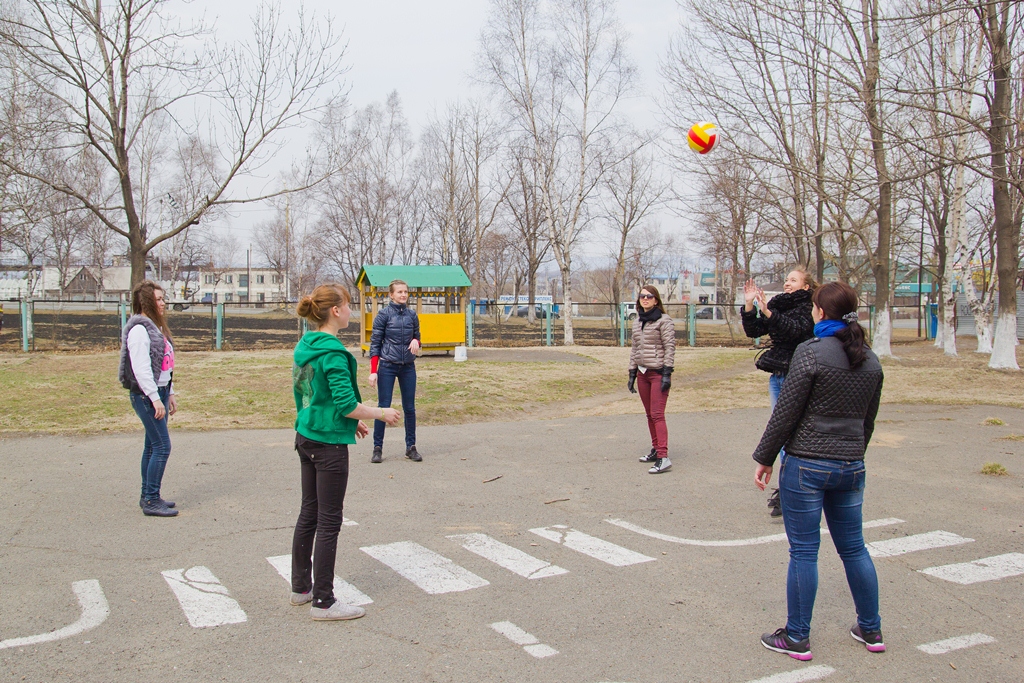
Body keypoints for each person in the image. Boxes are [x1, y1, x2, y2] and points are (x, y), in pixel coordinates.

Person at [751, 281, 885, 661]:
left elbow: (785, 413)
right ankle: (871, 628)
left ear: (822, 312)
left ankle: (797, 637)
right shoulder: (871, 359)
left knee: (805, 552)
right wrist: (852, 455)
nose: (811, 312)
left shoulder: (811, 353)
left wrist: (765, 457)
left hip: (807, 466)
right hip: (850, 466)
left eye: (813, 307)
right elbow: (867, 423)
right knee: (854, 549)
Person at [292, 283, 400, 621]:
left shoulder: (306, 344)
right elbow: (345, 403)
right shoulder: (335, 353)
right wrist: (381, 412)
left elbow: (314, 395)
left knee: (309, 513)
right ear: (336, 311)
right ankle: (323, 601)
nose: (352, 310)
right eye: (349, 305)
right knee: (328, 521)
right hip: (327, 446)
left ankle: (301, 588)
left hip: (306, 434)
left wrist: (350, 423)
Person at [741, 267, 816, 516]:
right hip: (778, 375)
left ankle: (792, 490)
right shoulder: (778, 304)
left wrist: (768, 312)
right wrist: (750, 305)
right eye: (786, 280)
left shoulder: (810, 308)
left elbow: (796, 331)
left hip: (799, 375)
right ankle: (788, 490)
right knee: (781, 432)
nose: (787, 283)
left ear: (806, 287)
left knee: (790, 432)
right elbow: (754, 331)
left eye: (793, 280)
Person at [118, 280, 179, 517]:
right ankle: (152, 500)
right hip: (146, 396)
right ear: (147, 302)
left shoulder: (155, 328)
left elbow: (165, 366)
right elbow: (142, 370)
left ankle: (148, 495)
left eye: (163, 299)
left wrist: (169, 393)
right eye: (159, 299)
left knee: (152, 446)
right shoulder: (139, 330)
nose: (163, 303)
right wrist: (154, 398)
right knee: (162, 446)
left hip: (159, 392)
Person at [368, 279, 422, 463]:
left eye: (406, 292)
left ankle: (411, 447)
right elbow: (375, 344)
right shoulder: (383, 315)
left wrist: (417, 342)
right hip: (387, 366)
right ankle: (377, 448)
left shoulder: (412, 315)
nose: (403, 295)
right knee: (383, 407)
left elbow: (417, 336)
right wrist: (373, 370)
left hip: (407, 366)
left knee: (410, 408)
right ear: (391, 295)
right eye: (399, 292)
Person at [627, 285, 675, 474]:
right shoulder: (638, 321)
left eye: (649, 296)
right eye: (642, 296)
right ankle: (656, 449)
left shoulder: (665, 321)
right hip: (642, 373)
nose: (645, 299)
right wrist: (632, 373)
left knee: (657, 414)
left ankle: (664, 457)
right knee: (649, 414)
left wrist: (667, 373)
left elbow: (670, 347)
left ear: (656, 300)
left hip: (657, 373)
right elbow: (635, 349)